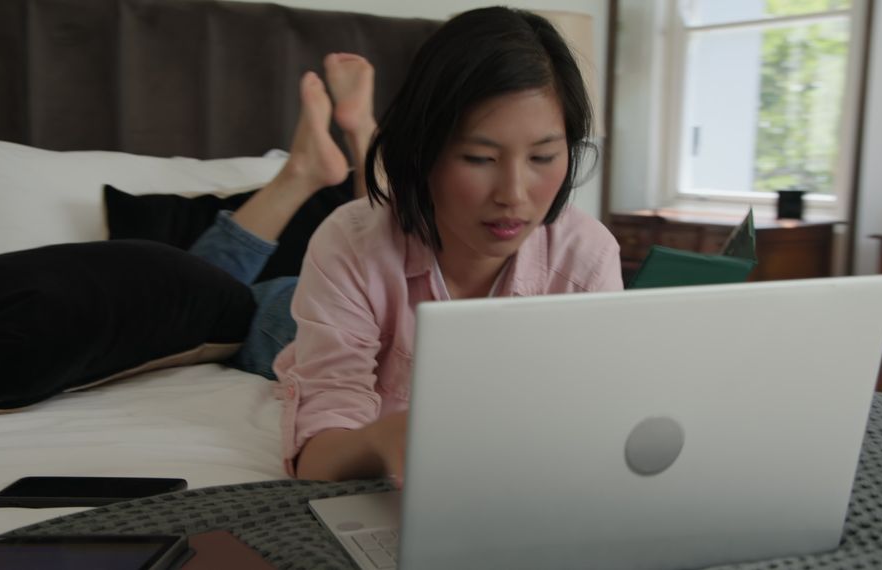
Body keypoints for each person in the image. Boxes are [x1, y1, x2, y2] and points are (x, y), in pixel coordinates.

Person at [191, 8, 623, 484]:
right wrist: (379, 439)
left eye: (543, 156)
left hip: (363, 289)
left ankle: (354, 136)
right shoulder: (348, 245)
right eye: (479, 158)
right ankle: (300, 173)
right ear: (423, 150)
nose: (514, 195)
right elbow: (315, 457)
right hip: (282, 313)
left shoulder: (586, 257)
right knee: (204, 298)